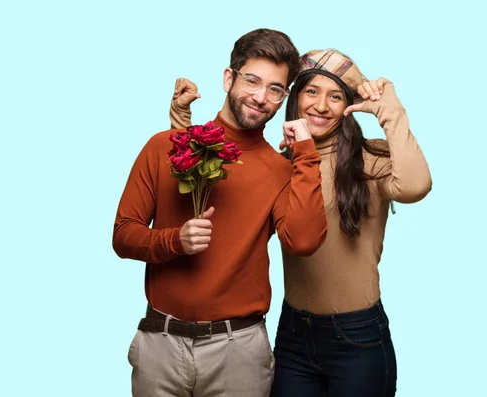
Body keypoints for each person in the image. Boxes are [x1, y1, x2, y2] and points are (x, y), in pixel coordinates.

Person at [169, 48, 432, 396]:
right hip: (293, 335)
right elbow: (208, 185)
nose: (321, 106)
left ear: (349, 105)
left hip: (357, 337)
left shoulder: (370, 160)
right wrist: (180, 116)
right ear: (293, 98)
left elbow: (416, 186)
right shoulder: (281, 165)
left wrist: (389, 109)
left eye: (336, 96)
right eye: (311, 91)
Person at [112, 29, 328, 397]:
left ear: (283, 98)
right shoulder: (167, 146)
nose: (261, 97)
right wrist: (174, 240)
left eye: (275, 89)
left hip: (238, 351)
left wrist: (306, 154)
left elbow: (304, 241)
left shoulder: (280, 171)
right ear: (229, 78)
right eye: (252, 81)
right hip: (160, 342)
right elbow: (123, 235)